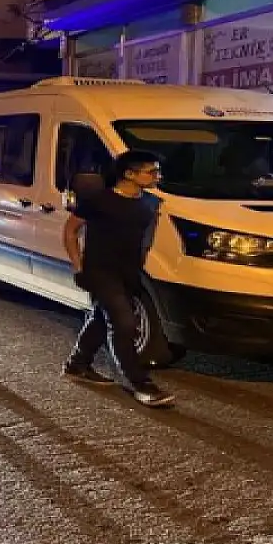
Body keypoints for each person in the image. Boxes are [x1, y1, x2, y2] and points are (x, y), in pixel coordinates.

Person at [62, 149, 175, 408]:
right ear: (129, 174)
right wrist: (79, 267)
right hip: (100, 272)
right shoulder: (99, 200)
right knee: (124, 324)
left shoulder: (151, 203)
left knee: (102, 318)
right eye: (151, 172)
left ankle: (77, 365)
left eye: (157, 171)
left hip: (129, 273)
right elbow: (70, 231)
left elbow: (145, 239)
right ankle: (141, 384)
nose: (157, 176)